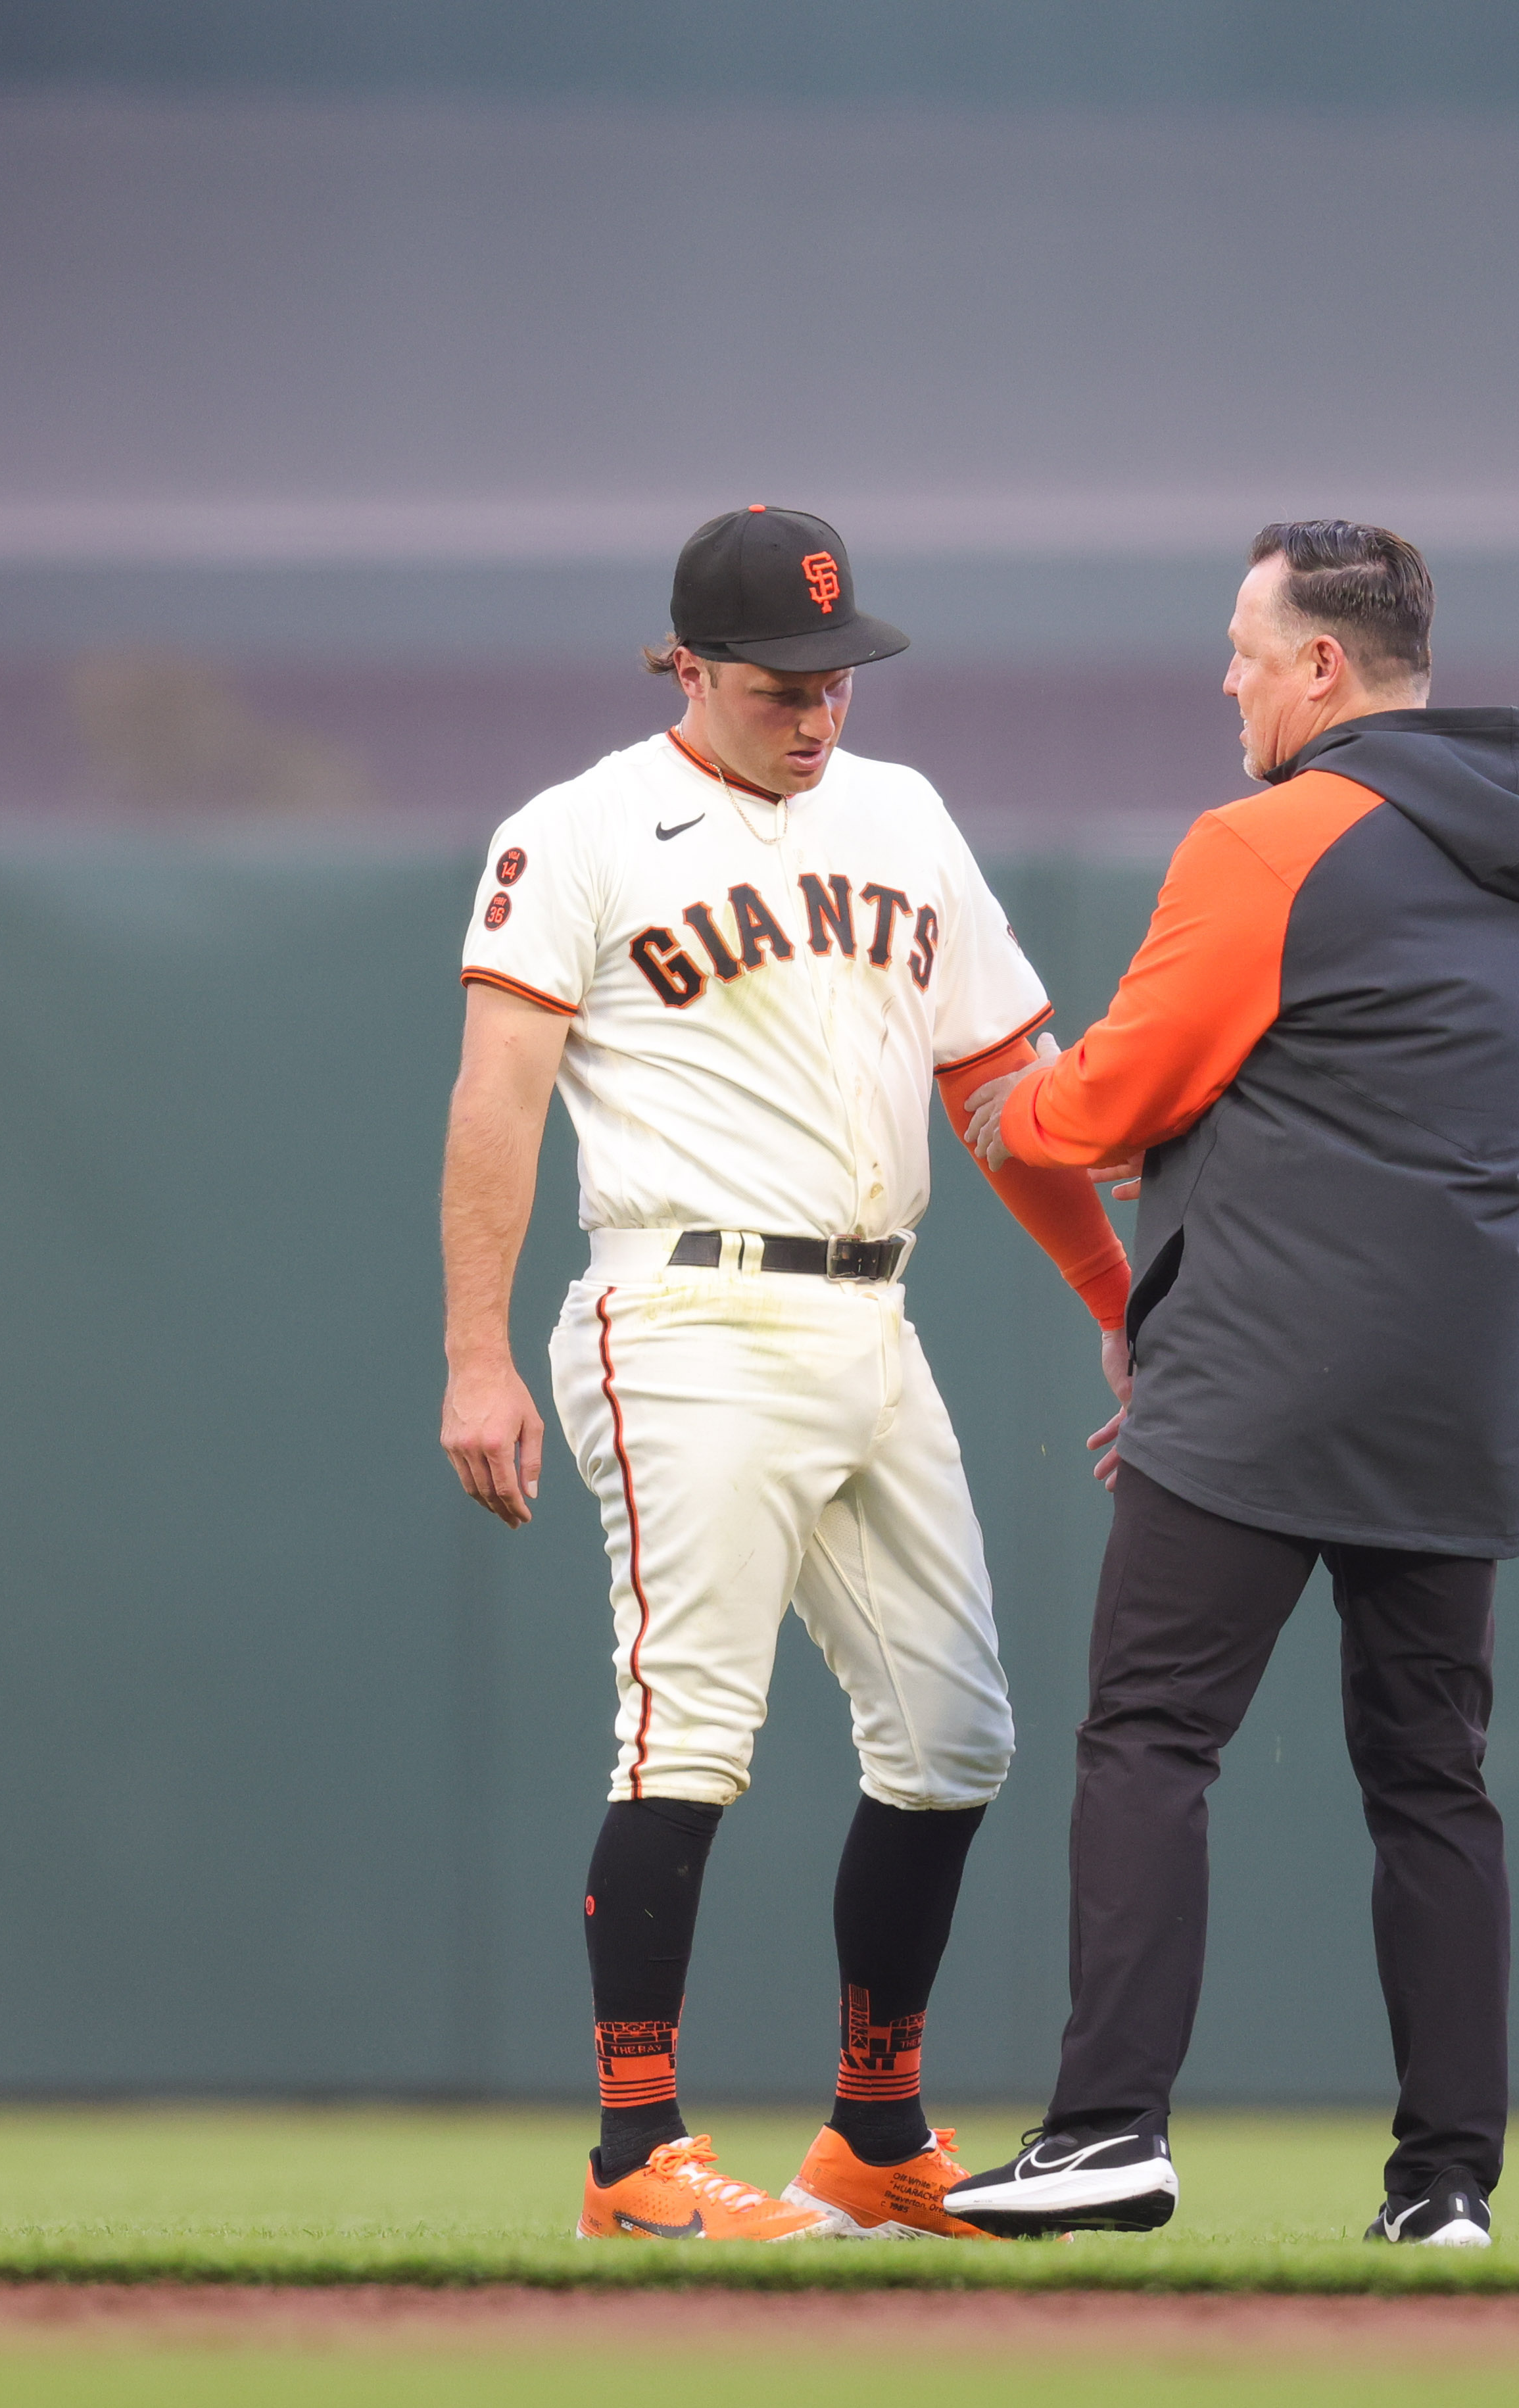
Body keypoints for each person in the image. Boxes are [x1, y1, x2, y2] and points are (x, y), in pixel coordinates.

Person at [437, 506, 1132, 2242]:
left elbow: (999, 1085)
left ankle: (874, 2130)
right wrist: (473, 1354)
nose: (817, 712)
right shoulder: (580, 831)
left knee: (954, 1737)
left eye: (839, 676)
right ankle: (633, 2156)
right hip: (678, 1314)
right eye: (777, 683)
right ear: (684, 663)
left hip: (868, 1321)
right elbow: (496, 1098)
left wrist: (1118, 1298)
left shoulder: (899, 815)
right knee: (689, 1734)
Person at [940, 521, 1519, 2247]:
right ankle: (1445, 2185)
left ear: (1322, 668)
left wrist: (1002, 1108)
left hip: (1264, 1361)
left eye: (1244, 646)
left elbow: (1094, 1109)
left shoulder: (1271, 838)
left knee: (1150, 1734)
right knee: (1431, 1777)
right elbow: (1424, 1082)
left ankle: (1106, 2134)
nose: (1222, 677)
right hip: (1463, 1372)